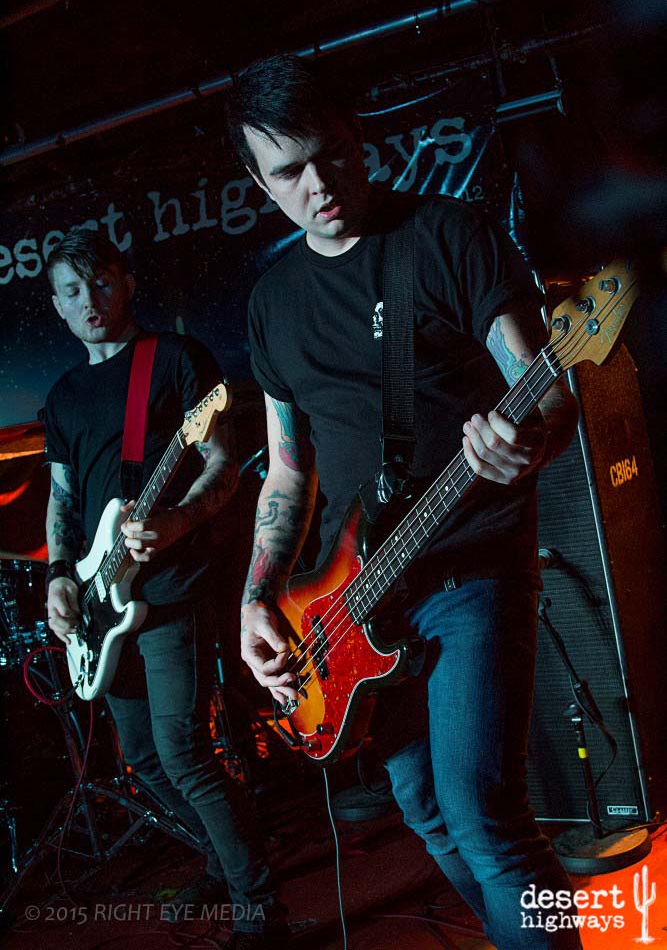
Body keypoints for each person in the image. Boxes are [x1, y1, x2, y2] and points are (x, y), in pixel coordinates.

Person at [225, 55, 583, 949]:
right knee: (423, 809)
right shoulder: (271, 303)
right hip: (353, 598)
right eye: (288, 171)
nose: (317, 185)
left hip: (470, 563)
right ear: (258, 184)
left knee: (485, 816)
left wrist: (528, 441)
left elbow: (545, 391)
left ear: (358, 140)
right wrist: (257, 595)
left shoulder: (446, 235)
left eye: (331, 155)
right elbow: (286, 471)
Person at [42, 228, 288, 949]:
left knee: (183, 752)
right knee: (144, 759)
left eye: (100, 281)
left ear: (127, 283)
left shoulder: (176, 359)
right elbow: (62, 499)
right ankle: (220, 859)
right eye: (71, 290)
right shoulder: (63, 395)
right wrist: (59, 577)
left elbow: (223, 464)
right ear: (56, 305)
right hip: (102, 600)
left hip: (174, 586)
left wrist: (178, 520)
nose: (89, 300)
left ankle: (259, 906)